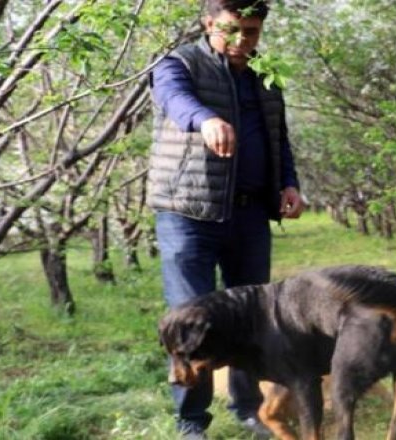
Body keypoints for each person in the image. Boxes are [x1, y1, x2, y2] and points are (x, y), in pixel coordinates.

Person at [148, 0, 304, 438]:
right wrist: (206, 119)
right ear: (208, 23)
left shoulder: (266, 74)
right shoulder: (178, 64)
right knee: (192, 319)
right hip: (188, 213)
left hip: (250, 212)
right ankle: (191, 421)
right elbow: (175, 101)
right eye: (231, 30)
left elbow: (278, 138)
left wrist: (288, 183)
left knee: (253, 315)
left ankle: (248, 409)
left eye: (251, 32)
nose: (241, 42)